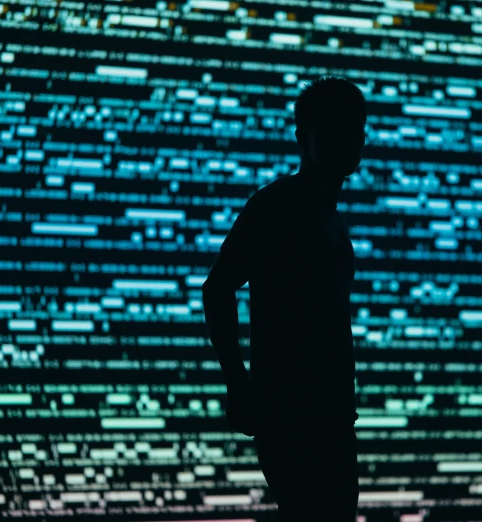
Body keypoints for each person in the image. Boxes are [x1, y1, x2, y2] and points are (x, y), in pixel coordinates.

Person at [201, 75, 366, 521]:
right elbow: (217, 288)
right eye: (338, 128)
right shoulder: (276, 207)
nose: (352, 139)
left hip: (328, 420)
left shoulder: (331, 223)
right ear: (304, 138)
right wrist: (239, 384)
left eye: (355, 127)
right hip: (298, 423)